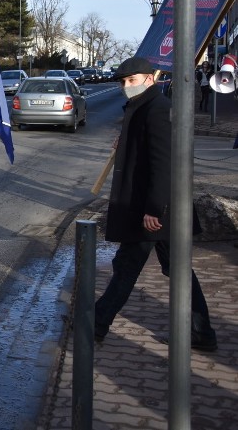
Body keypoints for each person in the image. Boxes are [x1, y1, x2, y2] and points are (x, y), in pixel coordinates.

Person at [94, 57, 217, 351]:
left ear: (150, 79)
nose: (126, 86)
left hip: (155, 211)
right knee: (176, 269)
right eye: (123, 82)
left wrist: (154, 208)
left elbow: (165, 164)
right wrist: (124, 144)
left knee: (128, 266)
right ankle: (201, 333)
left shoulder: (157, 110)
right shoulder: (143, 108)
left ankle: (96, 323)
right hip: (158, 210)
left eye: (132, 80)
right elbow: (143, 151)